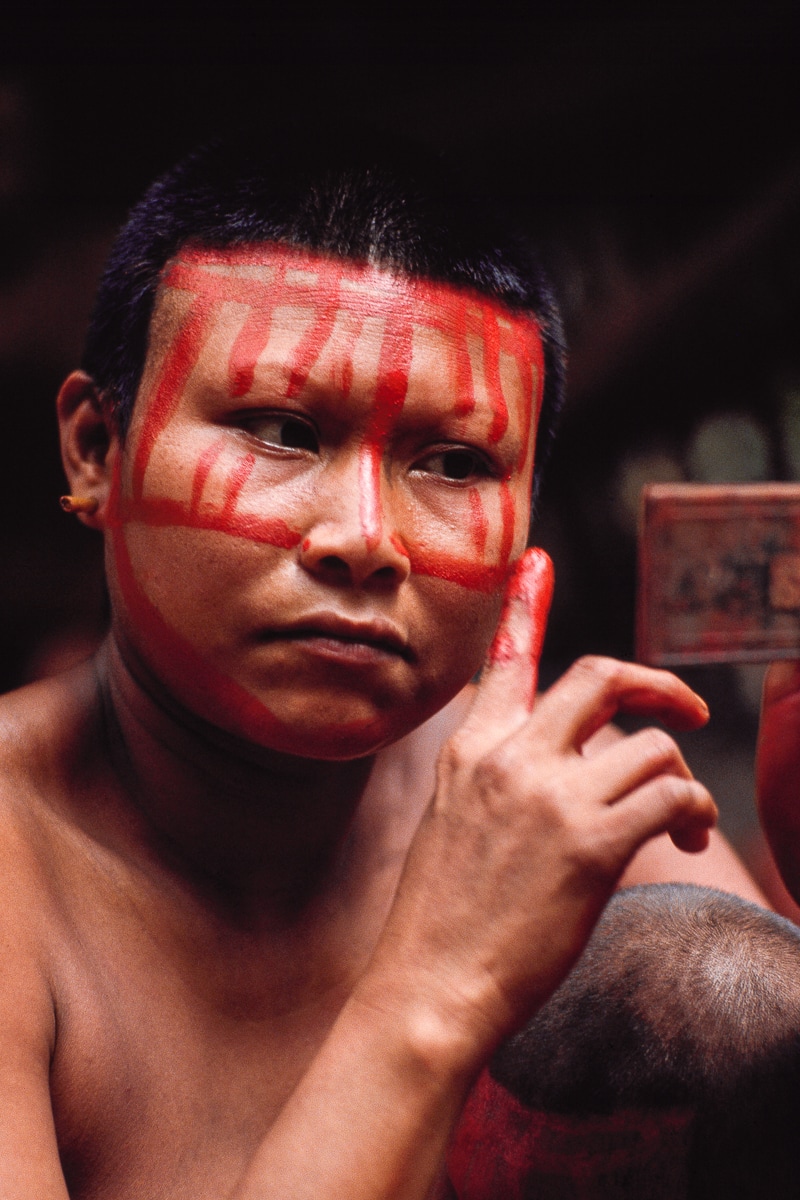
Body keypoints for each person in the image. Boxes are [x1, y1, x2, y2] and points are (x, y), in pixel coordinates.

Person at [0, 129, 765, 1199]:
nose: (364, 537)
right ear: (94, 446)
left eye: (453, 462)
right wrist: (439, 984)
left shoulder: (556, 800)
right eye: (279, 429)